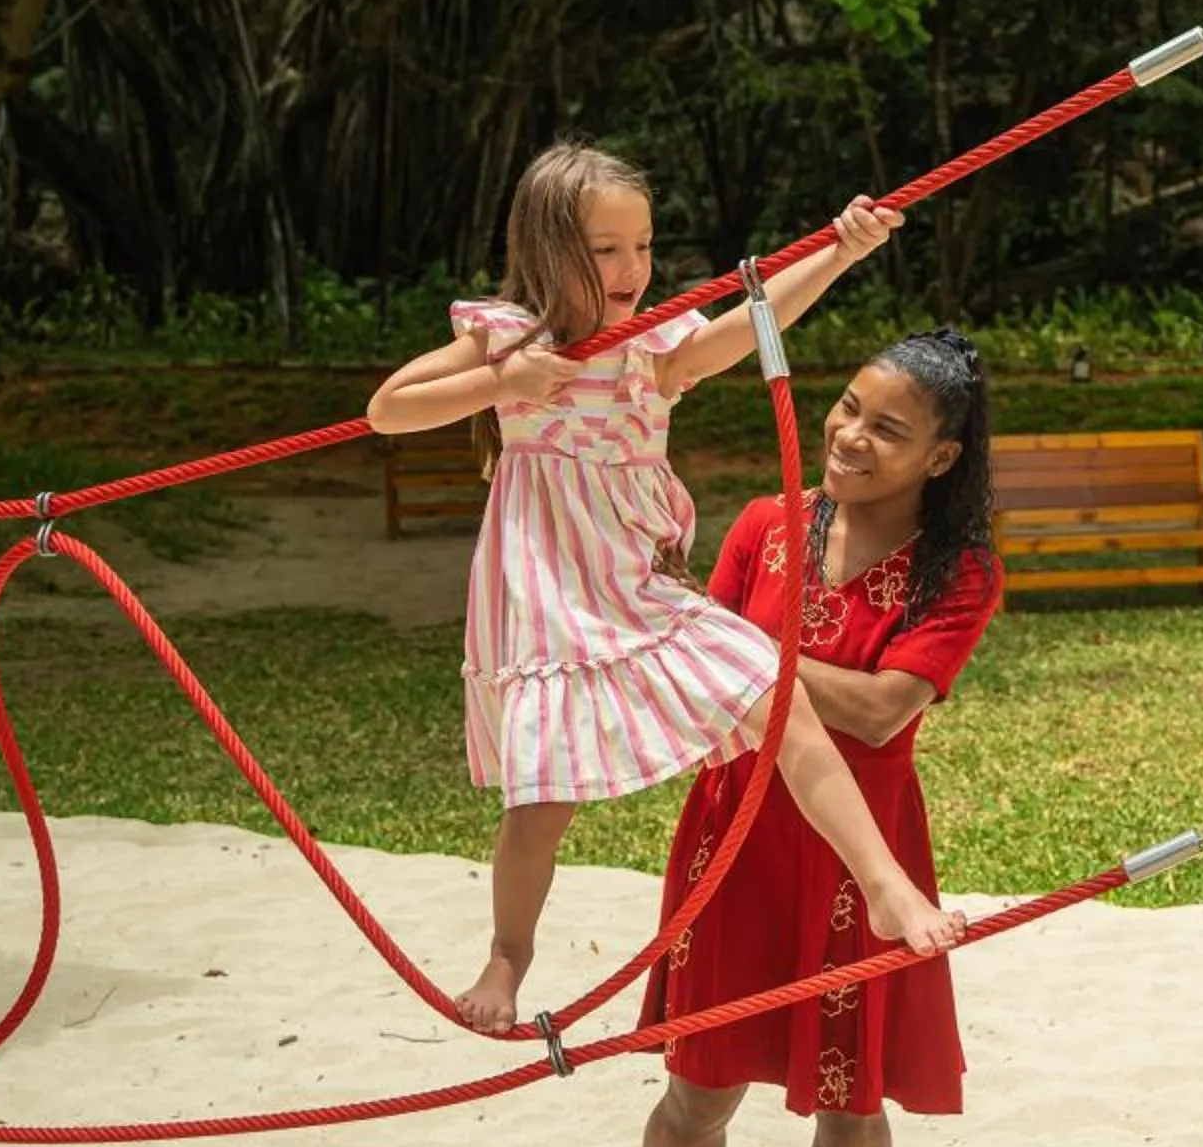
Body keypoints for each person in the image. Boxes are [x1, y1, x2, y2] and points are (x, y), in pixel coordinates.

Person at [366, 144, 963, 1034]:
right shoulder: (508, 337)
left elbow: (749, 323)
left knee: (778, 699)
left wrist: (841, 250)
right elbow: (388, 409)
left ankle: (885, 887)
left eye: (642, 246)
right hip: (549, 599)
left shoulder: (652, 346)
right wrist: (502, 381)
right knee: (541, 800)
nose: (632, 269)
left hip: (641, 589)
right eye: (606, 250)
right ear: (547, 249)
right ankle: (508, 955)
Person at [614, 329, 1003, 1147]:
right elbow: (696, 680)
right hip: (738, 832)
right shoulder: (764, 525)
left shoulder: (960, 570)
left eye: (889, 427)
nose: (850, 434)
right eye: (848, 407)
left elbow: (880, 712)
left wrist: (739, 646)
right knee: (698, 1087)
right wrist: (714, 647)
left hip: (858, 857)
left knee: (850, 1096)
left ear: (940, 457)